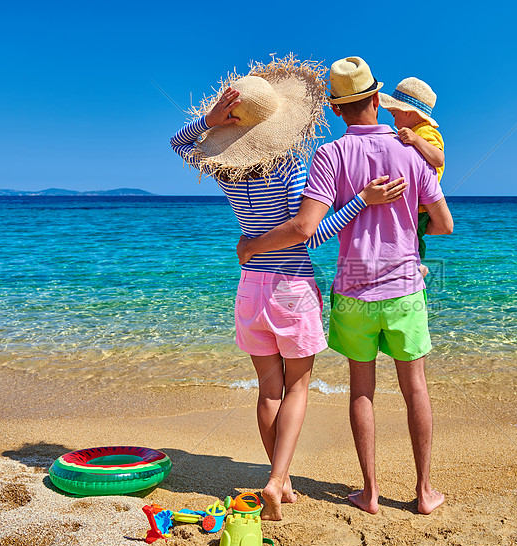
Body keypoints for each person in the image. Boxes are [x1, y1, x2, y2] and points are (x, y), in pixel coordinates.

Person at [169, 56, 405, 521]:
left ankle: (284, 479)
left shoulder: (226, 170)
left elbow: (179, 145)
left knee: (268, 391)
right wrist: (362, 200)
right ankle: (276, 480)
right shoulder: (291, 167)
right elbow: (309, 232)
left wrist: (209, 121)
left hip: (250, 289)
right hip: (291, 287)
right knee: (297, 389)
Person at [237, 56, 453, 515]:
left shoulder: (329, 155)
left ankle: (370, 492)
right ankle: (423, 491)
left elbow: (311, 232)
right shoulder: (411, 152)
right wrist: (411, 232)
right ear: (378, 99)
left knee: (361, 390)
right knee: (415, 387)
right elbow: (445, 224)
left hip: (353, 290)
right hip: (404, 288)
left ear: (337, 109)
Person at [379, 78, 445, 279]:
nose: (392, 117)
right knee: (408, 239)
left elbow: (438, 158)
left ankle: (418, 268)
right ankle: (413, 267)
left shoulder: (425, 132)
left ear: (408, 112)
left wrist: (416, 140)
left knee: (413, 240)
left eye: (395, 112)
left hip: (422, 205)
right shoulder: (411, 132)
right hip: (415, 202)